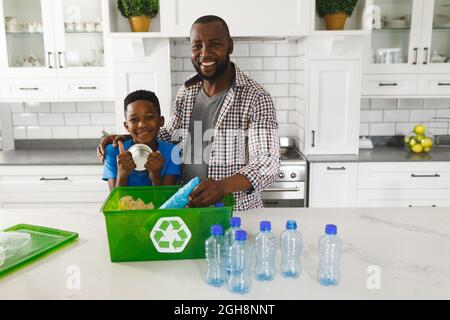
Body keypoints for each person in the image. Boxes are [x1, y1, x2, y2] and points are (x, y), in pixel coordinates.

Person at [98, 15, 280, 210]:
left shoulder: (256, 98)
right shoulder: (187, 92)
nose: (205, 53)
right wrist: (129, 136)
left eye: (215, 44)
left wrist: (222, 187)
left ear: (230, 46)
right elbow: (170, 134)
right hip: (187, 210)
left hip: (236, 213)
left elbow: (267, 164)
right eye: (197, 45)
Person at [102, 90, 180, 191]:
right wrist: (122, 175)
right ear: (126, 126)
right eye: (134, 120)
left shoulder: (172, 152)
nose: (142, 125)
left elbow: (166, 203)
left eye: (149, 117)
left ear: (161, 121)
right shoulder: (113, 151)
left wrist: (156, 177)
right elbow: (116, 203)